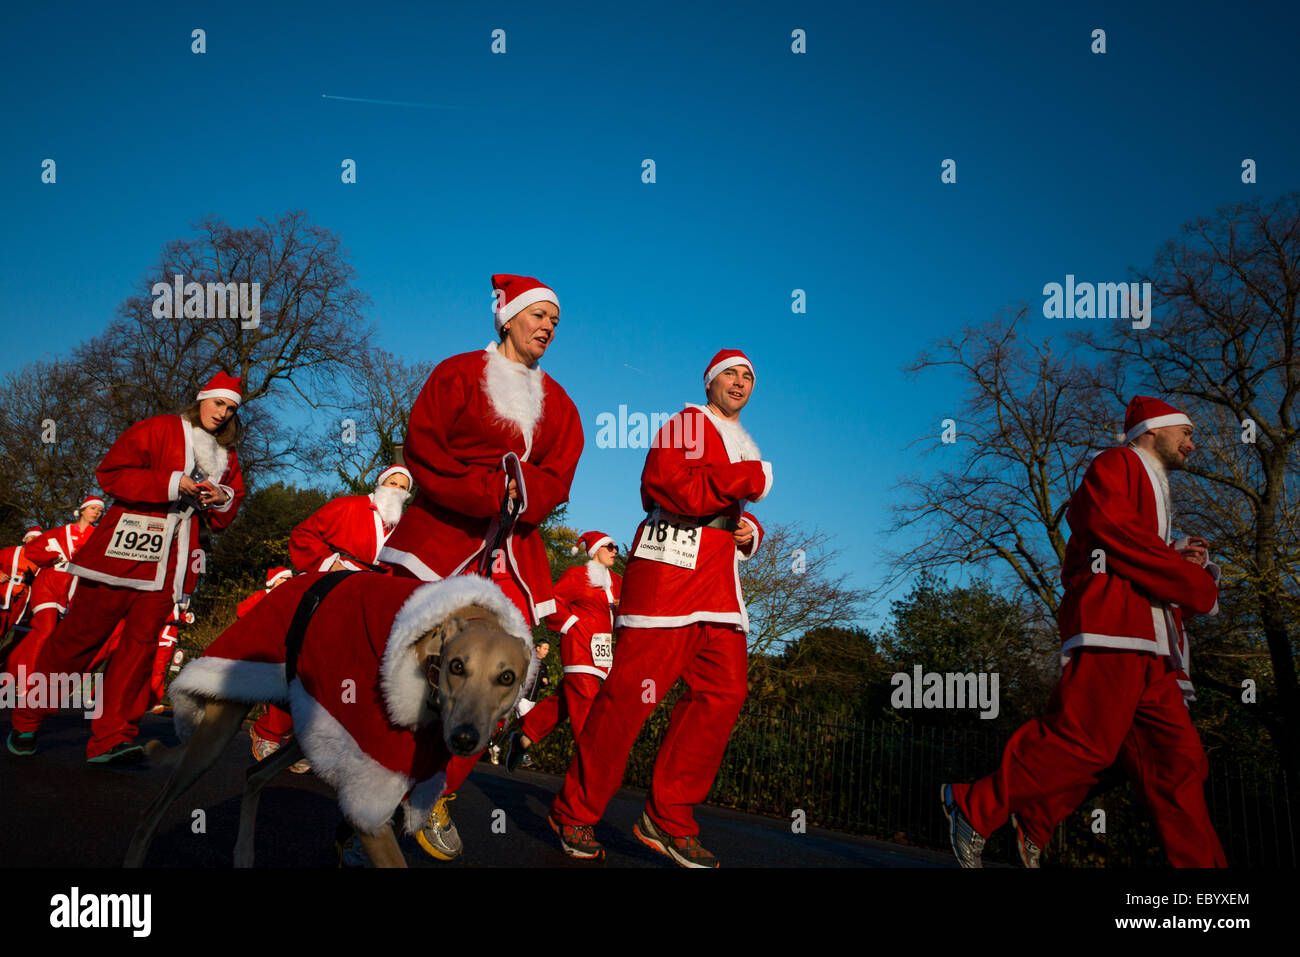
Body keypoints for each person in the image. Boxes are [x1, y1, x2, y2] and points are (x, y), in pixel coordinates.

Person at [942, 396, 1227, 868]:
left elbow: (1132, 545)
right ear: (1153, 430)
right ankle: (974, 805)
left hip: (1154, 648)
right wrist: (1192, 581)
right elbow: (1107, 528)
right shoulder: (1117, 461)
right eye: (1188, 433)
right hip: (1117, 632)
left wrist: (1179, 558)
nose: (1193, 445)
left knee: (1179, 767)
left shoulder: (1152, 483)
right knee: (1084, 740)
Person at [376, 273, 583, 862]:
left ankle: (436, 793)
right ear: (507, 318)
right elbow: (424, 446)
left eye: (554, 321)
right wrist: (484, 488)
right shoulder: (456, 373)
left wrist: (523, 491)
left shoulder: (562, 404)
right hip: (439, 539)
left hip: (514, 557)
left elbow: (559, 475)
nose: (546, 326)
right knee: (406, 659)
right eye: (537, 315)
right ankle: (380, 778)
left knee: (495, 680)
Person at [549, 349, 773, 867]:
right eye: (730, 375)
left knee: (724, 694)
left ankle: (667, 818)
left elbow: (719, 511)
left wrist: (749, 531)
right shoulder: (687, 423)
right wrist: (749, 479)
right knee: (626, 701)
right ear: (710, 382)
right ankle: (574, 812)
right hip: (668, 586)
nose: (739, 383)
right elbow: (669, 488)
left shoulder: (738, 442)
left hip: (719, 591)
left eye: (748, 377)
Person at [6, 372, 245, 763]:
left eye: (231, 409)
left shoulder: (227, 455)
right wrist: (172, 483)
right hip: (121, 552)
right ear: (202, 399)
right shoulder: (158, 428)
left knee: (138, 651)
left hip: (171, 562)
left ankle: (111, 738)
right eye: (218, 403)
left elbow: (226, 513)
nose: (223, 413)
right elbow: (111, 474)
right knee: (78, 639)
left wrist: (221, 496)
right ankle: (29, 716)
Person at [1009, 541, 1215, 867]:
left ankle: (1032, 815)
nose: (1199, 556)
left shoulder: (1170, 581)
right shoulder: (1123, 550)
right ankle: (1001, 806)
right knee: (1176, 773)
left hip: (1162, 674)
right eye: (1193, 552)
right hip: (1133, 661)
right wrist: (1177, 560)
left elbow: (1198, 601)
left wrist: (1191, 567)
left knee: (1127, 764)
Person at [249, 465, 414, 766]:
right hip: (330, 592)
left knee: (345, 679)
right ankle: (269, 732)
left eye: (403, 487)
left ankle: (304, 746)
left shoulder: (405, 529)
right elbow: (303, 534)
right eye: (392, 482)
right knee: (307, 665)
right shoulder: (347, 506)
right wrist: (328, 563)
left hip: (366, 606)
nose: (396, 490)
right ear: (379, 484)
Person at [506, 531, 622, 771]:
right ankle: (588, 767)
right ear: (595, 550)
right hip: (579, 649)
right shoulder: (577, 575)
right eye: (609, 546)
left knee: (566, 700)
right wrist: (571, 624)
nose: (614, 551)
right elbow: (552, 601)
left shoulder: (618, 582)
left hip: (603, 653)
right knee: (585, 704)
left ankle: (524, 736)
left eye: (616, 547)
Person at [5, 498, 104, 696]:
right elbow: (31, 550)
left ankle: (9, 673)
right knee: (46, 629)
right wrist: (49, 558)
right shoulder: (60, 532)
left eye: (101, 510)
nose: (97, 513)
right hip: (48, 584)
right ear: (82, 510)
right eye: (93, 508)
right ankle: (26, 681)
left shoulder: (99, 536)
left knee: (42, 635)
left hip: (72, 590)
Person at [0, 526, 43, 650]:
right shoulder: (10, 551)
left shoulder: (41, 560)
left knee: (6, 633)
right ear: (26, 538)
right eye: (33, 538)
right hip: (3, 595)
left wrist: (34, 580)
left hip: (21, 601)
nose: (35, 541)